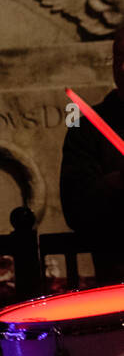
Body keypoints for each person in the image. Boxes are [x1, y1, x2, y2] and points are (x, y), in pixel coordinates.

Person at [61, 24, 124, 282]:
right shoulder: (86, 127)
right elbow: (75, 209)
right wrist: (118, 182)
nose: (122, 68)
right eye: (119, 57)